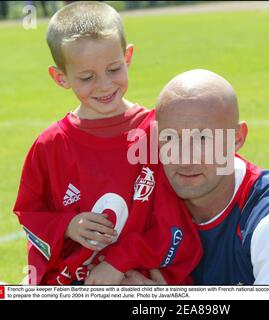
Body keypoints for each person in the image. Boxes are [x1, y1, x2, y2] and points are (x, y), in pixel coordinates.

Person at [13, 1, 202, 285]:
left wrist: (119, 261)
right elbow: (30, 213)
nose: (104, 85)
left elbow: (175, 222)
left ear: (127, 57)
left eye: (114, 69)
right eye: (87, 77)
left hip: (143, 280)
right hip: (76, 282)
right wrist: (66, 225)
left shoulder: (156, 132)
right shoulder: (50, 145)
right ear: (60, 77)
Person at [124, 69, 269, 285]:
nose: (185, 159)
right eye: (170, 138)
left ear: (237, 138)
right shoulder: (141, 202)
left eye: (203, 139)